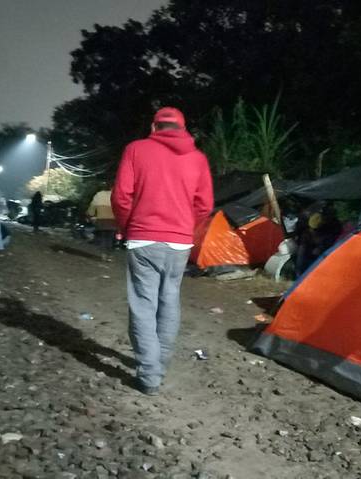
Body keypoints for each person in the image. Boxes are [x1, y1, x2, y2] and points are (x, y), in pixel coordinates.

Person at [112, 106, 214, 395]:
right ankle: (160, 363)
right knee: (169, 300)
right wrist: (185, 227)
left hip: (144, 239)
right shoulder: (198, 159)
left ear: (154, 127)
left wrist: (126, 226)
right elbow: (204, 205)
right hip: (180, 242)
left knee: (144, 306)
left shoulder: (136, 149)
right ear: (183, 129)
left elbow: (121, 196)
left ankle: (149, 376)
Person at [86, 183, 117, 251]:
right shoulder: (116, 195)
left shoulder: (98, 195)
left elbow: (92, 208)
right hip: (112, 221)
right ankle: (108, 253)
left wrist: (90, 215)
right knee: (110, 238)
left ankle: (103, 254)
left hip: (101, 221)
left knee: (103, 237)